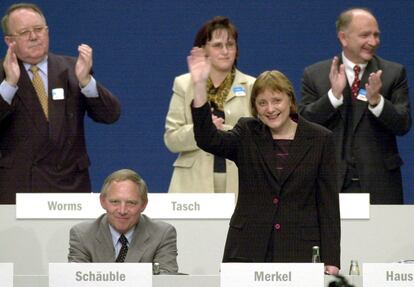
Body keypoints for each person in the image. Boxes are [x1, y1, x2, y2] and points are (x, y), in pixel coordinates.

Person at [188, 47, 341, 274]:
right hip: (247, 249)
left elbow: (328, 205)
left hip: (299, 250)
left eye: (277, 100)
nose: (270, 109)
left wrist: (331, 260)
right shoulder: (247, 132)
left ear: (290, 100)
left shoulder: (320, 139)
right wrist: (200, 86)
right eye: (262, 103)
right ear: (255, 107)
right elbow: (207, 139)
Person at [0, 3, 121, 204]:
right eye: (24, 32)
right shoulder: (3, 74)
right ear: (9, 41)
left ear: (47, 31)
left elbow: (110, 114)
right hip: (20, 188)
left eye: (38, 29)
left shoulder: (73, 68)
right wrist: (9, 84)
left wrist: (86, 82)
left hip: (70, 186)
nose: (33, 36)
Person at [299, 8, 411, 204]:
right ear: (343, 38)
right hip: (329, 183)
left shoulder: (393, 73)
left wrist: (377, 101)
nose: (373, 42)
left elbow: (403, 124)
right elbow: (304, 125)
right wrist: (333, 96)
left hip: (380, 184)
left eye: (376, 35)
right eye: (365, 35)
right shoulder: (315, 75)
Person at [164, 16, 255, 195]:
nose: (225, 51)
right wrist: (203, 128)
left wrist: (222, 132)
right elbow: (172, 139)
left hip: (239, 182)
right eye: (217, 45)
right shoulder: (184, 84)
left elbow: (259, 138)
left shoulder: (252, 86)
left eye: (230, 45)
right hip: (192, 184)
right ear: (204, 49)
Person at [68, 169, 179, 274]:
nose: (122, 211)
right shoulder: (82, 235)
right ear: (102, 201)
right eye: (115, 202)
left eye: (131, 203)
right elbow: (76, 280)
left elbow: (166, 281)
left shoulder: (162, 234)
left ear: (143, 205)